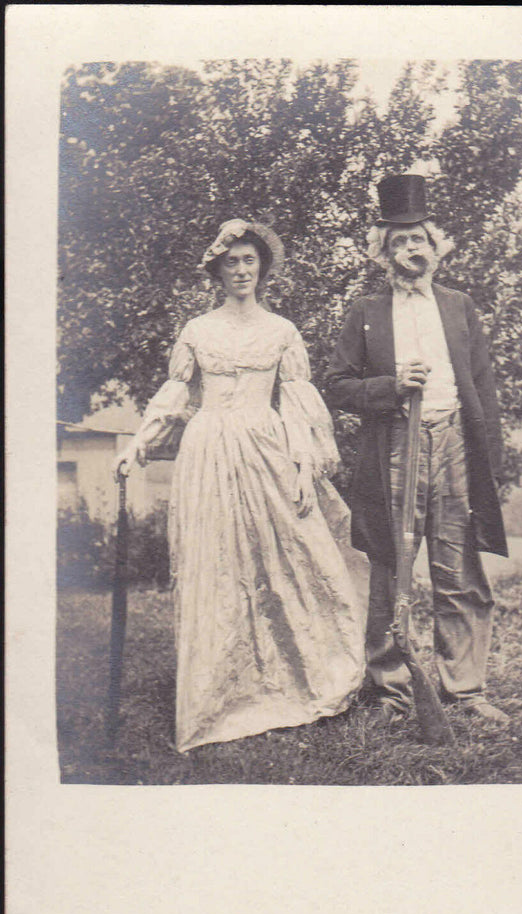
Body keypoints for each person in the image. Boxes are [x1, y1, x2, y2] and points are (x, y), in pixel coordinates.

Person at [114, 218, 364, 751]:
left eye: (250, 260)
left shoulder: (282, 332)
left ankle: (298, 678)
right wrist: (139, 442)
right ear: (218, 271)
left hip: (267, 450)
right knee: (215, 561)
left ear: (263, 268)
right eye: (233, 262)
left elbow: (297, 404)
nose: (242, 270)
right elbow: (175, 392)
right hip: (207, 451)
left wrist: (304, 465)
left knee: (292, 556)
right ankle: (215, 695)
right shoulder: (197, 331)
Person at [325, 173, 510, 725]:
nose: (412, 249)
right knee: (390, 568)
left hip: (454, 442)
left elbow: (484, 385)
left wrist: (489, 465)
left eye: (420, 239)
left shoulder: (459, 306)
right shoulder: (365, 312)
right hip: (394, 449)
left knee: (459, 570)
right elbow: (335, 385)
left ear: (436, 248)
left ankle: (467, 690)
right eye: (399, 241)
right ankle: (391, 691)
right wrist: (391, 386)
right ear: (383, 252)